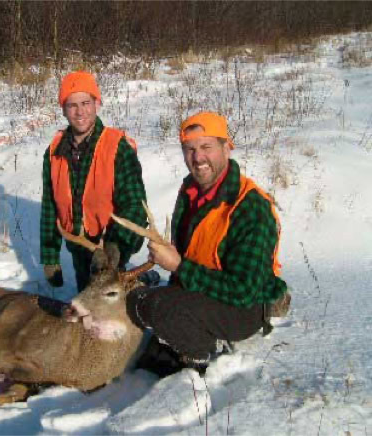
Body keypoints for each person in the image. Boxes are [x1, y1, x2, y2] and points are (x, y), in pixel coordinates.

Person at [126, 111, 289, 377]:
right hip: (201, 292)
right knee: (137, 299)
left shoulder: (250, 207)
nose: (198, 158)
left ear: (226, 148)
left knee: (156, 306)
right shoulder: (190, 190)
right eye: (189, 149)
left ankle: (198, 356)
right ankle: (174, 337)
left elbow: (244, 292)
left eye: (206, 147)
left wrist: (179, 266)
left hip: (243, 308)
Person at [40, 71, 148, 293]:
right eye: (72, 105)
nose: (80, 112)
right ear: (63, 109)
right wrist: (50, 256)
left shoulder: (117, 147)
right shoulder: (54, 152)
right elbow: (50, 206)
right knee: (86, 298)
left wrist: (115, 247)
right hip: (78, 246)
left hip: (110, 249)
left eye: (85, 103)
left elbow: (135, 205)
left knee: (111, 302)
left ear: (96, 104)